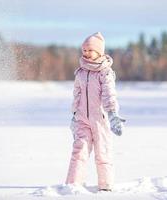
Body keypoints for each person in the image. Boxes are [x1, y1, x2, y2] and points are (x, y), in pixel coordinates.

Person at [65, 32, 125, 192]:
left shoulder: (105, 73)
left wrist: (112, 115)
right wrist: (74, 116)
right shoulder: (81, 72)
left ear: (99, 52)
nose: (85, 53)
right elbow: (76, 96)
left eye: (89, 50)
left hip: (101, 119)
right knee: (79, 149)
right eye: (84, 50)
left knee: (102, 151)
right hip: (82, 119)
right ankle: (72, 185)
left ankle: (105, 186)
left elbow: (109, 95)